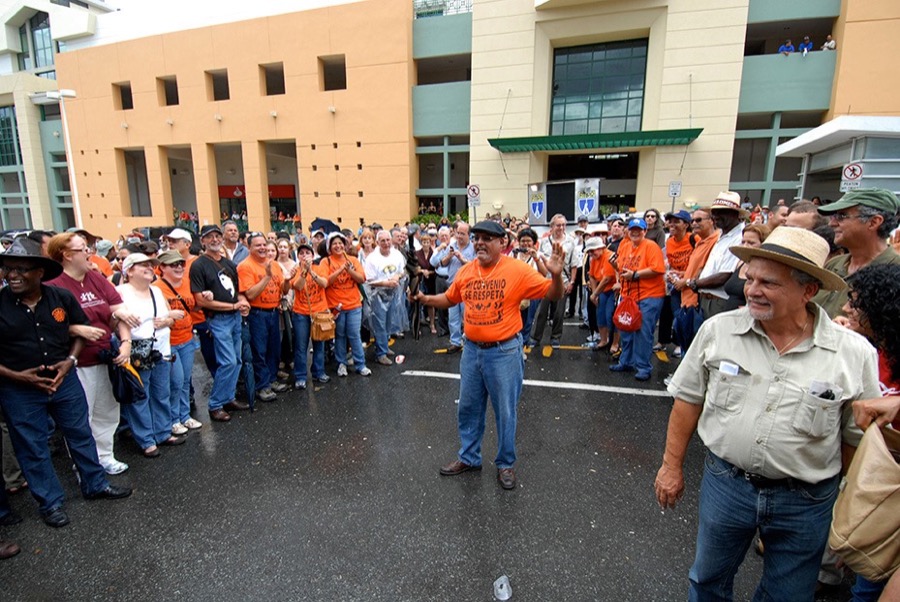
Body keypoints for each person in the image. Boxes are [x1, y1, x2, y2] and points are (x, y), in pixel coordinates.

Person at [654, 227, 880, 601]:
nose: (752, 290)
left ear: (808, 291)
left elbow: (855, 439)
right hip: (727, 485)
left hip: (807, 500)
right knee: (707, 581)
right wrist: (670, 466)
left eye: (769, 283)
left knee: (787, 595)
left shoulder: (853, 354)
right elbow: (688, 400)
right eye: (750, 279)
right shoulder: (718, 331)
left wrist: (847, 506)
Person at [416, 221, 565, 490]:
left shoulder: (517, 270)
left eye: (487, 238)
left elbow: (553, 294)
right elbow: (450, 298)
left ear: (502, 243)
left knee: (505, 411)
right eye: (477, 238)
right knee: (468, 407)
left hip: (504, 352)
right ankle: (469, 457)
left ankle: (505, 463)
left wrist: (556, 276)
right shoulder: (466, 271)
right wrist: (425, 299)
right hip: (472, 351)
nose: (480, 243)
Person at [0, 238, 131, 528]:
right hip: (19, 389)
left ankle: (95, 484)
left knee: (81, 433)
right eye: (8, 269)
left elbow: (81, 331)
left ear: (40, 272)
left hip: (65, 380)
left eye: (21, 269)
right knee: (33, 447)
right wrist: (19, 376)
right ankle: (50, 503)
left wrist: (70, 361)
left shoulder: (61, 297)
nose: (12, 275)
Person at [46, 233, 139, 475]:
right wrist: (76, 329)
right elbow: (44, 325)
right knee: (81, 418)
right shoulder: (53, 285)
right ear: (67, 255)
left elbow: (120, 312)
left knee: (107, 412)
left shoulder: (96, 278)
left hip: (106, 356)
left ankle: (106, 457)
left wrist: (126, 342)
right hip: (76, 363)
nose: (90, 253)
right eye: (84, 249)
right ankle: (85, 466)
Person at [835, 263, 900, 601]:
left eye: (856, 303)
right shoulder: (870, 348)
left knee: (872, 585)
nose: (847, 308)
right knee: (867, 565)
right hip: (876, 470)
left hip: (893, 476)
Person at [117, 253, 186, 457]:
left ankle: (163, 433)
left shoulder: (156, 291)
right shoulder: (121, 293)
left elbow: (170, 319)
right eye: (143, 265)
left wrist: (167, 321)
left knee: (161, 392)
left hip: (161, 349)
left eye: (150, 265)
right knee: (140, 396)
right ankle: (146, 440)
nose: (149, 268)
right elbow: (115, 323)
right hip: (138, 352)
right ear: (129, 271)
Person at [190, 225, 251, 422]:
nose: (215, 240)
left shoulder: (229, 264)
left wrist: (243, 303)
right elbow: (200, 300)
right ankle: (215, 404)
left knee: (237, 360)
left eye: (217, 236)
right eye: (210, 237)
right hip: (218, 319)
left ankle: (228, 397)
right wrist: (233, 306)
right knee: (228, 362)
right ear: (203, 241)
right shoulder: (199, 265)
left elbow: (237, 291)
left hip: (235, 318)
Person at [812, 188, 900, 318]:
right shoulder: (834, 264)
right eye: (834, 216)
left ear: (874, 222)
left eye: (842, 216)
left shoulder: (895, 271)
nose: (832, 223)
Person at [609, 218, 666, 381]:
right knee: (625, 328)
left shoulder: (651, 246)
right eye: (632, 229)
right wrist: (615, 267)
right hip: (628, 296)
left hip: (649, 295)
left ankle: (643, 367)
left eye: (639, 230)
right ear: (627, 231)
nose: (635, 232)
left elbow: (657, 269)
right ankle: (626, 361)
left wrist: (635, 275)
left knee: (643, 332)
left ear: (645, 231)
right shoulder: (625, 246)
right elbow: (620, 267)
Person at [238, 233, 291, 402]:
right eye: (257, 245)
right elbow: (250, 294)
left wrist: (288, 281)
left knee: (273, 349)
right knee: (259, 350)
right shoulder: (245, 266)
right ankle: (262, 386)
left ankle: (272, 379)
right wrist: (267, 276)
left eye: (264, 245)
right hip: (257, 313)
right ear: (249, 247)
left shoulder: (274, 264)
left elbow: (283, 290)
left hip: (274, 312)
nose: (262, 248)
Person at [154, 250, 202, 435]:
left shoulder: (188, 283)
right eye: (173, 265)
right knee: (175, 381)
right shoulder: (156, 288)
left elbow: (193, 306)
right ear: (162, 268)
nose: (179, 268)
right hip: (169, 342)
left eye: (181, 264)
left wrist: (204, 297)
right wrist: (168, 314)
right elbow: (151, 315)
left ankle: (185, 415)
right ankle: (173, 420)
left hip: (187, 338)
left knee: (185, 381)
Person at [321, 232, 371, 377]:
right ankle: (341, 364)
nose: (338, 246)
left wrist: (349, 270)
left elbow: (362, 278)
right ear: (329, 247)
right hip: (336, 306)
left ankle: (360, 364)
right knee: (340, 335)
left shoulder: (353, 260)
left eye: (340, 243)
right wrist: (340, 270)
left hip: (354, 304)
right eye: (334, 244)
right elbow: (325, 282)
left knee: (354, 334)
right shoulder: (326, 262)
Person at [672, 208, 718, 354]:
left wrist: (685, 282)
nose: (694, 223)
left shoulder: (715, 242)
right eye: (692, 220)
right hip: (686, 301)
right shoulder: (700, 242)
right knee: (686, 346)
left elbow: (707, 273)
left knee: (694, 351)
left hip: (697, 304)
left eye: (699, 220)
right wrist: (681, 274)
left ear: (712, 221)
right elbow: (696, 269)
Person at [529, 214, 578, 350]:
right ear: (552, 226)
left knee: (559, 312)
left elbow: (574, 264)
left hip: (563, 281)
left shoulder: (571, 242)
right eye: (558, 225)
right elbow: (539, 261)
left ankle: (555, 337)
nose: (561, 228)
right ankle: (536, 337)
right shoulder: (544, 242)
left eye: (563, 225)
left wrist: (572, 282)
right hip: (546, 281)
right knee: (542, 311)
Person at [694, 191, 745, 318]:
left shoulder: (740, 237)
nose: (715, 216)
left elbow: (725, 276)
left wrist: (695, 283)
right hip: (706, 300)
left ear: (735, 214)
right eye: (714, 212)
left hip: (719, 302)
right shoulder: (722, 234)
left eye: (721, 212)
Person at [290, 243, 330, 390]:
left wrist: (311, 271)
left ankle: (319, 372)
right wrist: (303, 272)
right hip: (301, 312)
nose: (305, 256)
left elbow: (324, 283)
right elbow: (298, 286)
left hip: (319, 312)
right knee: (301, 346)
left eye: (307, 253)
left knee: (319, 344)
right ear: (298, 256)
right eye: (301, 253)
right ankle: (301, 376)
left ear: (313, 256)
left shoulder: (320, 267)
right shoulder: (295, 270)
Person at [364, 230, 407, 365]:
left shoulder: (396, 254)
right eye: (382, 241)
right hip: (378, 295)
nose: (386, 243)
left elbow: (403, 270)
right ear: (377, 242)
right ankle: (380, 353)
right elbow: (369, 280)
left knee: (389, 321)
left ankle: (385, 346)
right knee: (380, 324)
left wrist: (397, 276)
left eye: (388, 240)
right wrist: (385, 283)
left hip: (393, 293)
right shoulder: (372, 258)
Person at [663, 210, 695, 357]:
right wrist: (671, 274)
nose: (672, 224)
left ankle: (684, 348)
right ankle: (681, 345)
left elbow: (699, 264)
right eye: (670, 221)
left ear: (686, 225)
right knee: (678, 317)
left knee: (688, 319)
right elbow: (671, 263)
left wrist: (684, 276)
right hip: (675, 285)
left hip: (690, 285)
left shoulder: (694, 239)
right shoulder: (669, 241)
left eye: (677, 221)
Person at [722, 224, 770, 311]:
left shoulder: (766, 269)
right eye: (743, 242)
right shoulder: (741, 263)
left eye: (751, 243)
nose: (745, 246)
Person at [585, 236, 615, 349]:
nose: (591, 253)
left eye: (593, 250)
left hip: (613, 290)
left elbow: (607, 278)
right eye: (589, 251)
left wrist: (594, 294)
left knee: (610, 316)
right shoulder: (594, 259)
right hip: (602, 291)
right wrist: (595, 293)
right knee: (600, 315)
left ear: (601, 248)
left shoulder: (609, 256)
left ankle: (615, 343)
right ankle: (603, 340)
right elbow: (592, 276)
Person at [415, 231, 438, 334]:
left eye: (427, 242)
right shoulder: (417, 254)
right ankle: (417, 326)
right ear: (421, 243)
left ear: (430, 242)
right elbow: (414, 268)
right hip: (419, 281)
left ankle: (432, 324)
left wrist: (429, 272)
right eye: (424, 242)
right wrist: (422, 271)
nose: (426, 244)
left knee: (430, 303)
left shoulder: (434, 254)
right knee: (418, 303)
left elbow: (437, 268)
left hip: (431, 281)